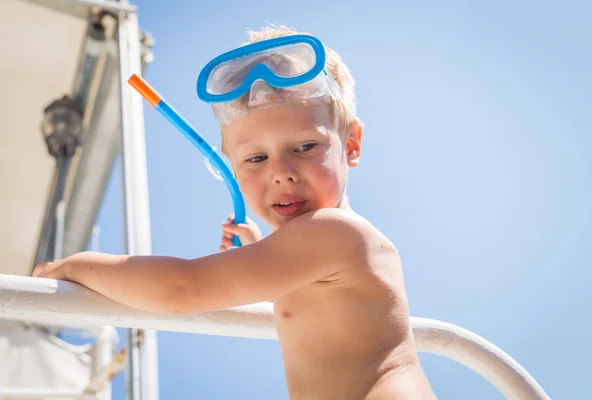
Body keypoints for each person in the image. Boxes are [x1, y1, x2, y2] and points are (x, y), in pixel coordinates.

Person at [33, 25, 437, 399]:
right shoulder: (319, 247)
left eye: (304, 147)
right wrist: (261, 249)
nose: (281, 173)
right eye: (257, 157)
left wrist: (76, 265)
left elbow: (182, 288)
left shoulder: (334, 233)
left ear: (351, 145)